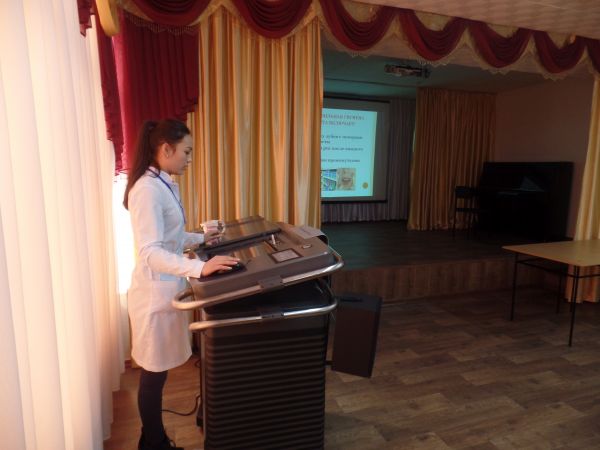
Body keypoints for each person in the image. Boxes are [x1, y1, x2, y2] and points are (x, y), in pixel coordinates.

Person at [123, 119, 239, 450]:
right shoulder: (147, 190)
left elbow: (170, 237)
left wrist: (203, 239)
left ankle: (152, 440)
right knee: (152, 374)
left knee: (157, 372)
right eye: (186, 152)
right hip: (153, 293)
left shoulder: (163, 183)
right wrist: (200, 267)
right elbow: (151, 252)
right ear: (166, 149)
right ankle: (154, 443)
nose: (189, 159)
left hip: (165, 288)